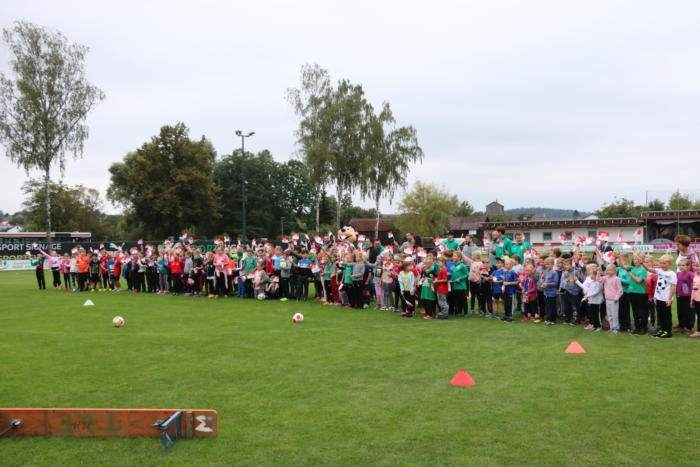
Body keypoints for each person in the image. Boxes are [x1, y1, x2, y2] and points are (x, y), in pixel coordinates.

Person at [644, 254, 677, 339]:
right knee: (661, 315)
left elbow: (673, 287)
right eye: (661, 263)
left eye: (664, 263)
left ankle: (668, 332)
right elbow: (648, 269)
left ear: (670, 264)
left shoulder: (672, 274)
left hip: (666, 299)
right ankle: (662, 330)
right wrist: (642, 263)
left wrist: (669, 299)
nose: (662, 265)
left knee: (666, 316)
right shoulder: (659, 271)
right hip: (658, 297)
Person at [625, 252, 649, 335]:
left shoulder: (643, 270)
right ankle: (637, 328)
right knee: (635, 311)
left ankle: (644, 329)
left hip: (641, 293)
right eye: (634, 259)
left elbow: (639, 280)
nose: (635, 261)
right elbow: (622, 266)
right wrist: (620, 256)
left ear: (642, 260)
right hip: (632, 292)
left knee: (642, 312)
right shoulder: (632, 267)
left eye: (637, 259)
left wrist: (631, 274)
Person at [577, 264, 605, 331]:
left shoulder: (598, 283)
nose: (590, 275)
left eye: (591, 274)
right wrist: (587, 296)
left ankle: (599, 326)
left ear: (595, 275)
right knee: (593, 314)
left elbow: (596, 291)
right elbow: (590, 290)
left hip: (597, 301)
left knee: (597, 314)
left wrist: (588, 295)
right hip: (592, 301)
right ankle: (594, 325)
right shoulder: (592, 282)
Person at [598, 263, 623, 334]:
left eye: (610, 270)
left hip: (614, 300)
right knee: (609, 314)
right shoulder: (606, 278)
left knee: (614, 314)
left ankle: (616, 328)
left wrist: (616, 297)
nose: (609, 272)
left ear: (615, 271)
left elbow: (620, 290)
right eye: (607, 270)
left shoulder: (616, 279)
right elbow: (599, 280)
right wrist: (598, 272)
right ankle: (611, 327)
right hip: (607, 299)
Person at [675, 258, 695, 334]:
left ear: (688, 266)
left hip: (688, 296)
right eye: (679, 265)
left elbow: (695, 282)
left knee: (688, 312)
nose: (681, 267)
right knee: (680, 311)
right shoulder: (677, 274)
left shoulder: (690, 274)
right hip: (680, 296)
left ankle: (689, 327)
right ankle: (682, 326)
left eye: (683, 265)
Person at [559, 259, 581, 325]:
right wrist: (561, 289)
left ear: (572, 265)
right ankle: (568, 318)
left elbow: (580, 282)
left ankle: (576, 319)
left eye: (567, 265)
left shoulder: (576, 272)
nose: (565, 266)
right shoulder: (565, 273)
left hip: (575, 293)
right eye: (564, 265)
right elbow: (562, 282)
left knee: (575, 307)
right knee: (567, 306)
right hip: (567, 291)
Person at [541, 258, 559, 325]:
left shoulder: (554, 273)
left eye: (548, 264)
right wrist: (543, 285)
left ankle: (553, 320)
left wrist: (547, 285)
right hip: (546, 292)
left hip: (552, 293)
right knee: (547, 306)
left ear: (552, 264)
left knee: (552, 306)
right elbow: (544, 281)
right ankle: (548, 319)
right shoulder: (546, 272)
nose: (547, 266)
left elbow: (555, 283)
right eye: (546, 264)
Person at [451, 253, 469, 318]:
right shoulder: (453, 266)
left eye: (455, 256)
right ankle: (459, 312)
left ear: (459, 257)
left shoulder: (463, 266)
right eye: (453, 256)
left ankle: (466, 313)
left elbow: (466, 274)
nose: (453, 257)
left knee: (463, 300)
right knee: (457, 300)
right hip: (455, 286)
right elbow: (453, 275)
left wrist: (460, 279)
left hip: (461, 286)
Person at [420, 255, 438, 319]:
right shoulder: (423, 271)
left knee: (429, 302)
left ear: (431, 264)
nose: (426, 265)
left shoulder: (432, 271)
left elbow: (435, 280)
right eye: (425, 264)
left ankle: (430, 314)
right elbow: (421, 279)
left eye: (427, 264)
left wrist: (432, 277)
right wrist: (420, 282)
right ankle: (427, 313)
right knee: (425, 301)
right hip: (424, 289)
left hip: (430, 289)